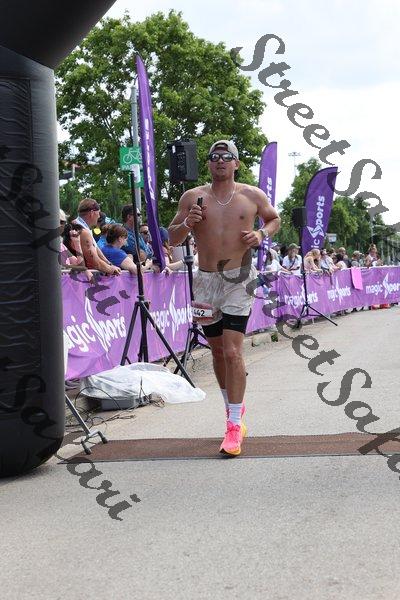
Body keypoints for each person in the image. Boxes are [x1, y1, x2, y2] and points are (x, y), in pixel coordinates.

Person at [168, 139, 280, 456]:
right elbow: (172, 236)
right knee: (217, 352)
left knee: (232, 351)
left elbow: (274, 218)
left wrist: (261, 234)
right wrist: (187, 223)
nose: (220, 160)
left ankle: (233, 426)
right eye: (214, 156)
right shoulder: (193, 197)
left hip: (239, 279)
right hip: (205, 281)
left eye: (226, 156)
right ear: (208, 163)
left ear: (236, 163)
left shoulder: (252, 195)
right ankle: (232, 409)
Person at [73, 199, 121, 275]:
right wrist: (111, 269)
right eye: (98, 213)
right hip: (76, 278)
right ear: (92, 213)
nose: (99, 216)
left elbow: (95, 248)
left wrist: (109, 264)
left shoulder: (79, 225)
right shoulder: (83, 232)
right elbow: (95, 263)